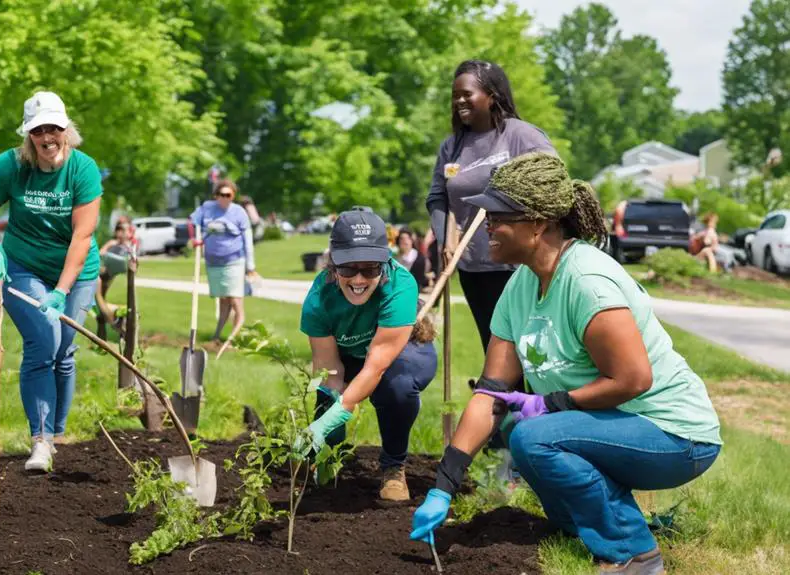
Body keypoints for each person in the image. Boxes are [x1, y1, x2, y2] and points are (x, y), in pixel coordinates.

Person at [410, 154, 722, 575]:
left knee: (535, 437)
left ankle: (634, 554)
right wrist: (443, 485)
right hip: (616, 425)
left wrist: (552, 404)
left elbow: (634, 378)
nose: (485, 227)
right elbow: (492, 394)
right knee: (528, 433)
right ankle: (589, 524)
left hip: (673, 433)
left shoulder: (587, 283)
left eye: (497, 217)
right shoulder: (520, 285)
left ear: (536, 224)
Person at [0, 91, 102, 473]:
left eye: (54, 128)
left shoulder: (83, 169)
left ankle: (56, 435)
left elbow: (82, 237)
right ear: (28, 136)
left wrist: (61, 290)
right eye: (38, 130)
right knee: (44, 340)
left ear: (66, 129)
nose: (47, 138)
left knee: (64, 352)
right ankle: (40, 441)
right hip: (23, 266)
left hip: (76, 271)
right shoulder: (10, 165)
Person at [295, 208, 438, 501]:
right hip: (348, 355)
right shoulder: (319, 298)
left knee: (396, 389)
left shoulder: (400, 285)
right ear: (333, 264)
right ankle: (327, 461)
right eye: (348, 268)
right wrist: (325, 428)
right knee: (327, 399)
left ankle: (393, 468)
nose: (359, 279)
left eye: (371, 268)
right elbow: (329, 371)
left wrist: (336, 412)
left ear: (385, 263)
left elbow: (377, 366)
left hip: (400, 353)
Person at [426, 59, 557, 352]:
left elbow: (552, 182)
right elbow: (437, 196)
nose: (459, 100)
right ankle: (503, 398)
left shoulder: (521, 135)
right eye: (455, 95)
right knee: (494, 344)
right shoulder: (452, 147)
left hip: (520, 264)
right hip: (473, 265)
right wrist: (446, 237)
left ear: (492, 95)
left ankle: (532, 399)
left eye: (467, 93)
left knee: (530, 349)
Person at [189, 179, 258, 343]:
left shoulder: (239, 213)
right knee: (223, 300)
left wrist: (250, 266)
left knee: (235, 298)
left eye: (228, 195)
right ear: (216, 195)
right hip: (213, 262)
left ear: (233, 196)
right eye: (221, 195)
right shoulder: (207, 208)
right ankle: (217, 336)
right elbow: (192, 222)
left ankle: (235, 338)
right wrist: (194, 239)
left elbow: (248, 239)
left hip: (234, 260)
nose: (224, 198)